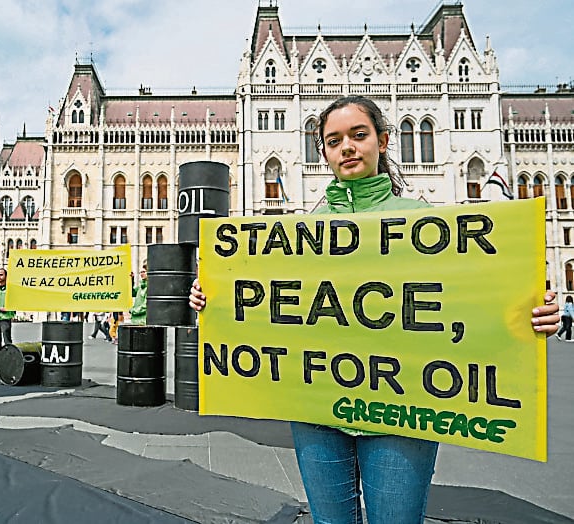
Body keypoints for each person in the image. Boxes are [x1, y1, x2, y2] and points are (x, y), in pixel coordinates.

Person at [188, 95, 560, 524]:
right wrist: (213, 298)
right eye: (334, 140)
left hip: (400, 414)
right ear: (322, 150)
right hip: (316, 409)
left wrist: (530, 313)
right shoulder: (304, 228)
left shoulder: (421, 219)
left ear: (383, 141)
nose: (347, 147)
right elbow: (275, 303)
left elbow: (471, 298)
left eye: (358, 135)